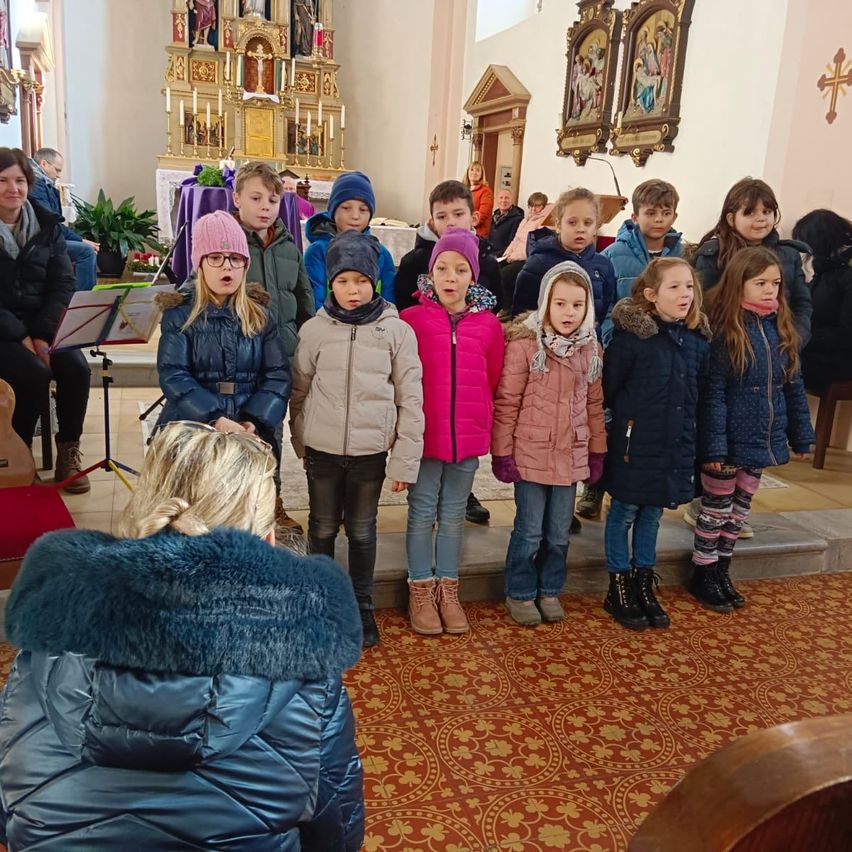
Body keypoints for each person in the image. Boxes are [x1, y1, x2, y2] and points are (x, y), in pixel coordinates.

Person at [0, 421, 364, 850]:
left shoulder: (42, 655)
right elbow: (336, 833)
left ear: (140, 516)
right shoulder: (309, 680)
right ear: (267, 539)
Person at [290, 231, 424, 648]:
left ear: (375, 283)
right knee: (323, 528)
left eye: (362, 281)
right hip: (324, 452)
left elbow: (410, 397)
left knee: (364, 532)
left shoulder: (396, 332)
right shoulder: (314, 330)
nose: (353, 290)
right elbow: (299, 391)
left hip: (369, 454)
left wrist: (403, 460)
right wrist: (302, 442)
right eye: (344, 280)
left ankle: (362, 605)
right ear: (331, 282)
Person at [689, 247, 814, 612]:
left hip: (761, 437)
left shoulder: (780, 328)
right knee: (715, 508)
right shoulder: (726, 330)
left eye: (775, 283)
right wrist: (713, 447)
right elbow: (713, 395)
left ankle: (723, 567)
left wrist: (801, 435)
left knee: (740, 510)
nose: (769, 290)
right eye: (760, 283)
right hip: (726, 442)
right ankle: (704, 570)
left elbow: (793, 385)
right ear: (737, 284)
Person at [686, 177, 813, 534]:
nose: (761, 218)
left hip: (772, 351)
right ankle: (707, 504)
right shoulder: (713, 254)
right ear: (731, 217)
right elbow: (703, 303)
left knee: (752, 441)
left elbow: (801, 304)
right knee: (716, 437)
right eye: (750, 211)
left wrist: (789, 339)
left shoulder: (787, 256)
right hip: (726, 352)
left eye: (767, 211)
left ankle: (730, 513)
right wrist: (726, 339)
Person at [156, 211, 291, 526]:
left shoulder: (261, 315)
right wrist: (215, 418)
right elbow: (174, 375)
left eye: (234, 258)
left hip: (249, 426)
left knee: (245, 513)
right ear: (200, 264)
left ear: (246, 264)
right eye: (215, 257)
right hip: (195, 427)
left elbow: (277, 375)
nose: (227, 266)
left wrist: (253, 420)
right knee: (195, 514)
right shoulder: (180, 315)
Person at [401, 227, 504, 635]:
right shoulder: (411, 320)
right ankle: (420, 588)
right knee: (422, 512)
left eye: (460, 269)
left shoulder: (489, 325)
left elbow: (492, 377)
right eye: (442, 268)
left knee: (454, 516)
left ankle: (448, 587)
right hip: (425, 437)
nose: (450, 277)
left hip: (467, 437)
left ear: (472, 277)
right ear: (431, 273)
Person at [492, 261, 606, 626]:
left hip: (570, 455)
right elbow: (507, 402)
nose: (568, 313)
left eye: (577, 305)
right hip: (530, 453)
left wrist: (596, 450)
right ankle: (521, 591)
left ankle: (550, 588)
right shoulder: (526, 345)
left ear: (587, 307)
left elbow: (594, 404)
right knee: (529, 530)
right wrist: (502, 452)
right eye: (560, 304)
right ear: (546, 304)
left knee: (558, 533)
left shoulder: (591, 349)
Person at [602, 258, 710, 630]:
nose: (685, 294)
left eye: (690, 286)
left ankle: (643, 580)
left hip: (672, 444)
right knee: (624, 513)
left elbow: (699, 395)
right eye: (675, 287)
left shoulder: (696, 342)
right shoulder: (631, 341)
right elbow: (609, 391)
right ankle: (618, 583)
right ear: (651, 295)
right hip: (634, 445)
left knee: (652, 514)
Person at [395, 179, 502, 524]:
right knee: (425, 495)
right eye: (443, 216)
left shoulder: (488, 261)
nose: (452, 222)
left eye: (459, 213)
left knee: (460, 443)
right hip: (429, 362)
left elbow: (492, 328)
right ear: (431, 221)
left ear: (474, 216)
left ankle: (464, 494)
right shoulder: (416, 262)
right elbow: (404, 322)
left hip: (469, 353)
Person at [579, 178, 682, 521]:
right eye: (651, 212)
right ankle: (594, 485)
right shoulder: (614, 255)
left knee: (643, 426)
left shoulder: (681, 256)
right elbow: (602, 305)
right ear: (635, 216)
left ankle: (634, 486)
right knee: (608, 417)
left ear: (674, 215)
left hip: (663, 355)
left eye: (665, 213)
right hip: (620, 349)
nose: (658, 219)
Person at [0, 147, 91, 493]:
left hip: (43, 323)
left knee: (76, 367)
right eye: (3, 180)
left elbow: (62, 282)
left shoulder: (47, 225)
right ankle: (18, 455)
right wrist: (21, 336)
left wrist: (42, 333)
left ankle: (68, 449)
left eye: (20, 180)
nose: (14, 188)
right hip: (4, 328)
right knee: (34, 373)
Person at [512, 187, 616, 329]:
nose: (581, 229)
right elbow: (521, 315)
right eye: (572, 222)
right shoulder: (538, 263)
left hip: (586, 345)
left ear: (596, 226)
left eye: (588, 223)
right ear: (558, 224)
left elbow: (601, 313)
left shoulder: (603, 266)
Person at [304, 171, 396, 309]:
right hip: (329, 325)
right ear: (333, 211)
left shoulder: (381, 253)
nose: (355, 216)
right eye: (346, 208)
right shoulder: (318, 251)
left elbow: (388, 302)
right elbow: (314, 300)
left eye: (363, 210)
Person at [791, 209, 852, 391]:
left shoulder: (845, 276)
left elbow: (847, 334)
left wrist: (801, 339)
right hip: (819, 352)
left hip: (841, 359)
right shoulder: (824, 274)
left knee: (771, 367)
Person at [28, 147, 99, 291]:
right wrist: (81, 240)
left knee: (86, 249)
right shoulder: (37, 184)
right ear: (44, 164)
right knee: (86, 252)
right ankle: (81, 303)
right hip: (40, 241)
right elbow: (50, 221)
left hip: (48, 236)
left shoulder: (43, 183)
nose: (59, 175)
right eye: (57, 170)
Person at [500, 192, 556, 313]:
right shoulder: (525, 220)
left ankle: (508, 308)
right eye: (531, 206)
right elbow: (515, 240)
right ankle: (499, 305)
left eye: (537, 206)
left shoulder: (542, 223)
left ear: (543, 207)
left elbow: (531, 247)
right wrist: (505, 255)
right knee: (494, 269)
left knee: (505, 275)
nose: (533, 209)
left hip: (526, 259)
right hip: (513, 256)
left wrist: (512, 257)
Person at [489, 188, 523, 257]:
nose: (503, 201)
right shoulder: (494, 216)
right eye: (501, 198)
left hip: (502, 257)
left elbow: (511, 243)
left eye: (507, 198)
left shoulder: (517, 219)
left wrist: (495, 256)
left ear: (512, 200)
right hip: (490, 253)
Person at [464, 161, 494, 239]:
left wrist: (466, 224)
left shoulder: (485, 191)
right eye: (472, 169)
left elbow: (483, 214)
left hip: (478, 234)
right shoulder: (462, 189)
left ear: (481, 174)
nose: (474, 172)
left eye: (478, 170)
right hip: (462, 231)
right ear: (467, 172)